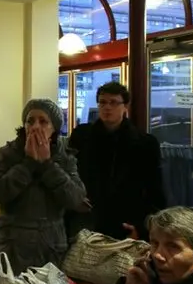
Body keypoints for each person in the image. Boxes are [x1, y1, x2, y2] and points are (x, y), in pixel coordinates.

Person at [0, 98, 86, 274]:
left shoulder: (65, 157)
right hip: (10, 243)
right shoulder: (9, 153)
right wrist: (28, 164)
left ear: (53, 127)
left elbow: (75, 198)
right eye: (30, 121)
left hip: (50, 246)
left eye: (43, 121)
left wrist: (48, 165)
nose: (35, 127)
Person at [67, 82, 165, 241]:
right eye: (103, 102)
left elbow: (154, 189)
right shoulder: (82, 136)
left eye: (113, 102)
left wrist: (143, 228)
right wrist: (74, 198)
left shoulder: (145, 143)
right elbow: (69, 172)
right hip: (87, 218)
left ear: (125, 106)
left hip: (125, 221)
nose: (107, 107)